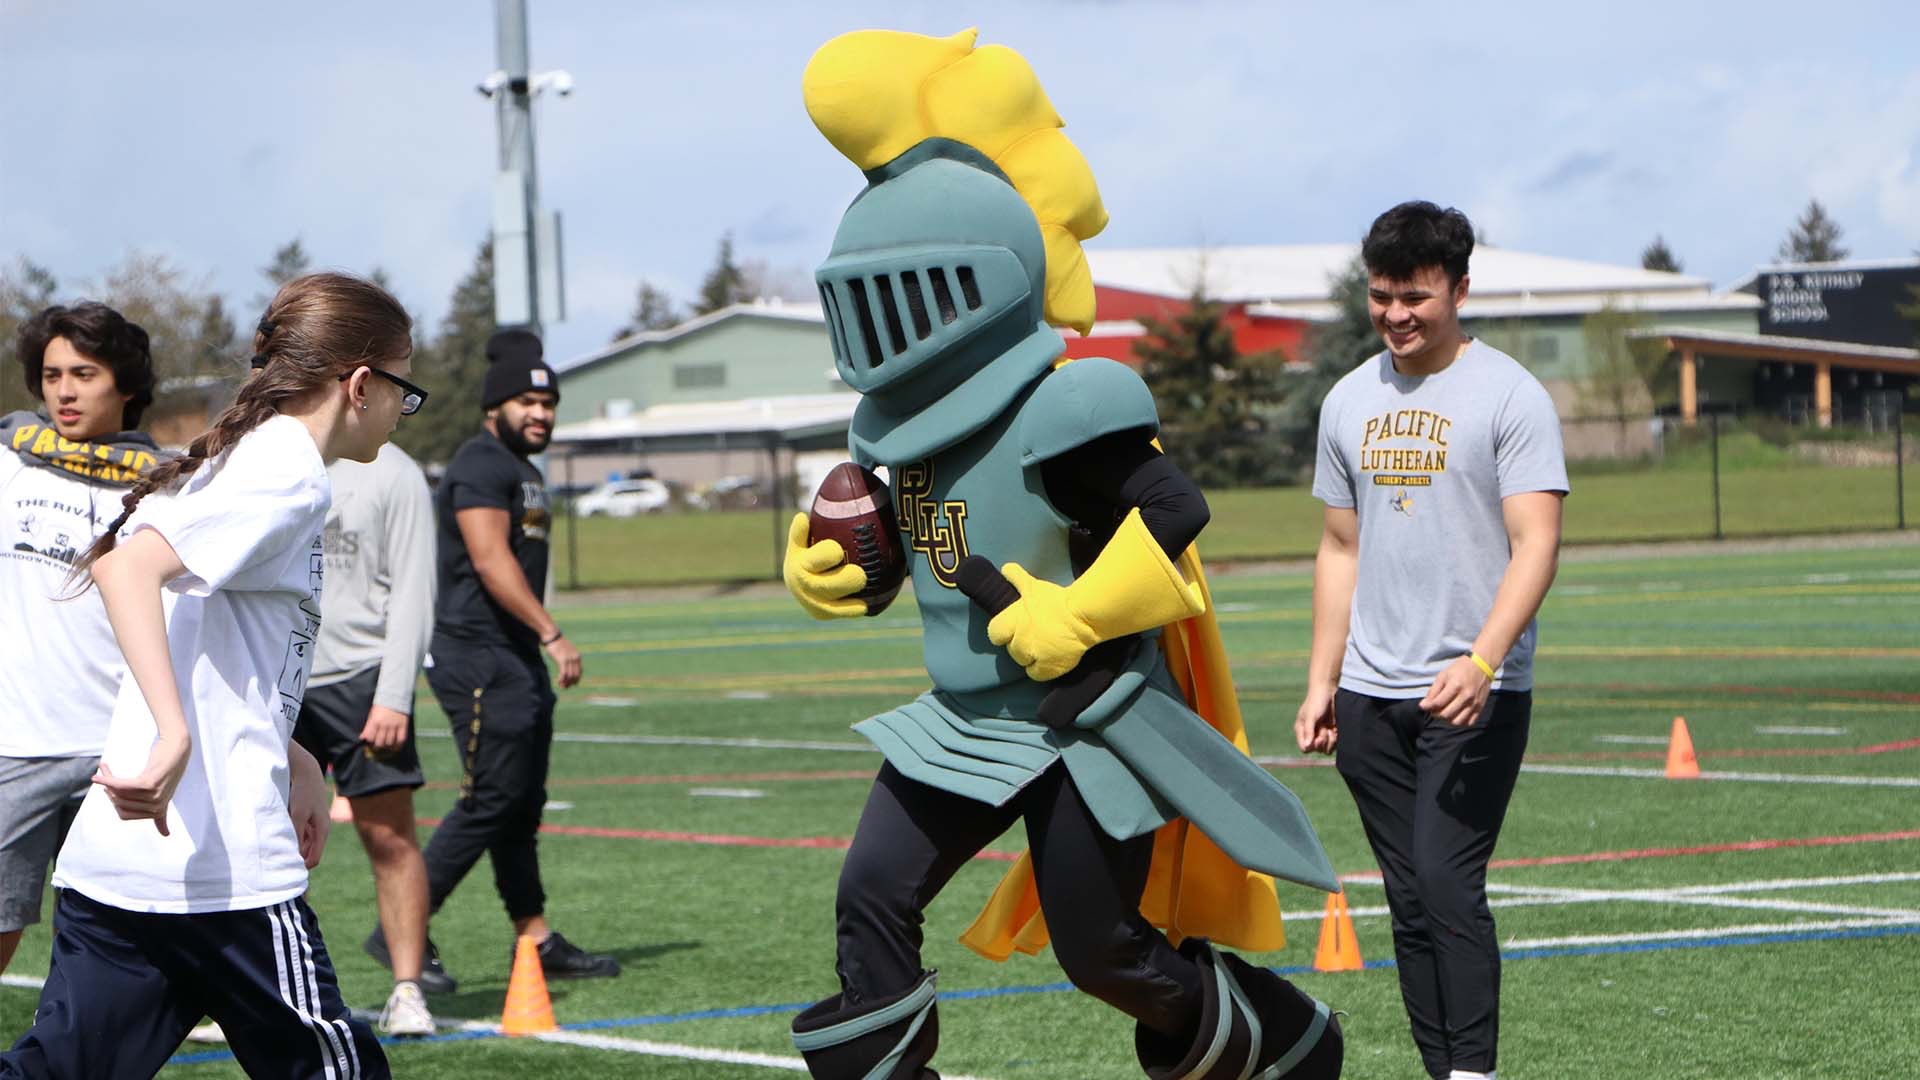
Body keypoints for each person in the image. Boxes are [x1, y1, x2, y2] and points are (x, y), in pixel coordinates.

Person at [781, 30, 1341, 1080]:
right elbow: (904, 552)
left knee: (1105, 954)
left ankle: (1284, 1046)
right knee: (870, 894)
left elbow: (1175, 508)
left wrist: (1076, 614)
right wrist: (831, 569)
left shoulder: (1068, 399)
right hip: (959, 720)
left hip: (1083, 720)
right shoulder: (885, 430)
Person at [1, 272, 422, 1079]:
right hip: (222, 877)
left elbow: (208, 630)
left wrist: (290, 752)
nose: (403, 412)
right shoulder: (286, 474)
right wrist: (173, 731)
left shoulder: (249, 459)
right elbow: (129, 572)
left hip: (116, 869)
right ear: (361, 383)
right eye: (404, 389)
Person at [1295, 201, 1569, 1080]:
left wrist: (1484, 660)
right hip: (1371, 697)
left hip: (1472, 692)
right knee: (1409, 902)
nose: (1396, 316)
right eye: (1382, 297)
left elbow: (1538, 544)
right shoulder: (1347, 401)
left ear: (1458, 287)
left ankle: (1474, 1073)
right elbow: (1340, 547)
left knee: (1449, 886)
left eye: (1414, 296)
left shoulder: (1511, 397)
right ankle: (1440, 1069)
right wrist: (1321, 681)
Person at [415, 328, 617, 981]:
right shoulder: (479, 464)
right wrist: (552, 631)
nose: (540, 413)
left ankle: (534, 939)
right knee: (491, 797)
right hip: (477, 653)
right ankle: (406, 928)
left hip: (512, 657)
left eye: (549, 403)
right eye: (527, 403)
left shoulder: (522, 471)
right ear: (493, 407)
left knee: (521, 803)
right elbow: (489, 558)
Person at [0, 303, 163, 978]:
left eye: (84, 374)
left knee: (131, 953)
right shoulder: (8, 463)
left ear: (125, 384)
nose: (63, 391)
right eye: (51, 374)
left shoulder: (169, 484)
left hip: (124, 749)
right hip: (16, 743)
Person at [293, 439, 441, 1036]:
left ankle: (408, 990)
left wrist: (393, 695)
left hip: (363, 681)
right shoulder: (261, 457)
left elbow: (413, 590)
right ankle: (255, 992)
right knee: (264, 843)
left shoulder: (396, 472)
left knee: (390, 840)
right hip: (283, 676)